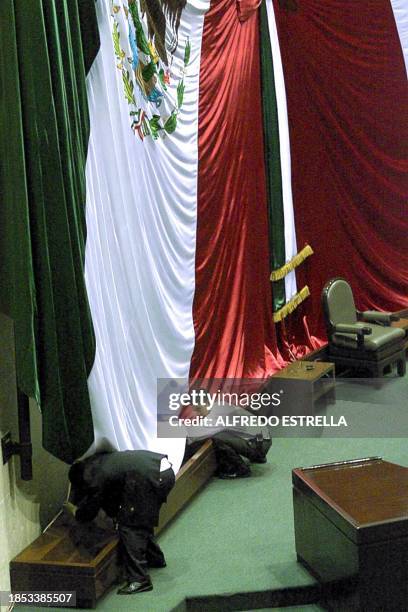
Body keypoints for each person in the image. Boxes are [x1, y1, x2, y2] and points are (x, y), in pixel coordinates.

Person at [68, 450, 175, 595]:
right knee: (139, 517)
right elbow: (113, 496)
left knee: (130, 526)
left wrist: (74, 511)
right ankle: (155, 558)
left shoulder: (94, 478)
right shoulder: (99, 462)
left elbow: (90, 510)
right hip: (163, 471)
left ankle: (139, 580)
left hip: (152, 476)